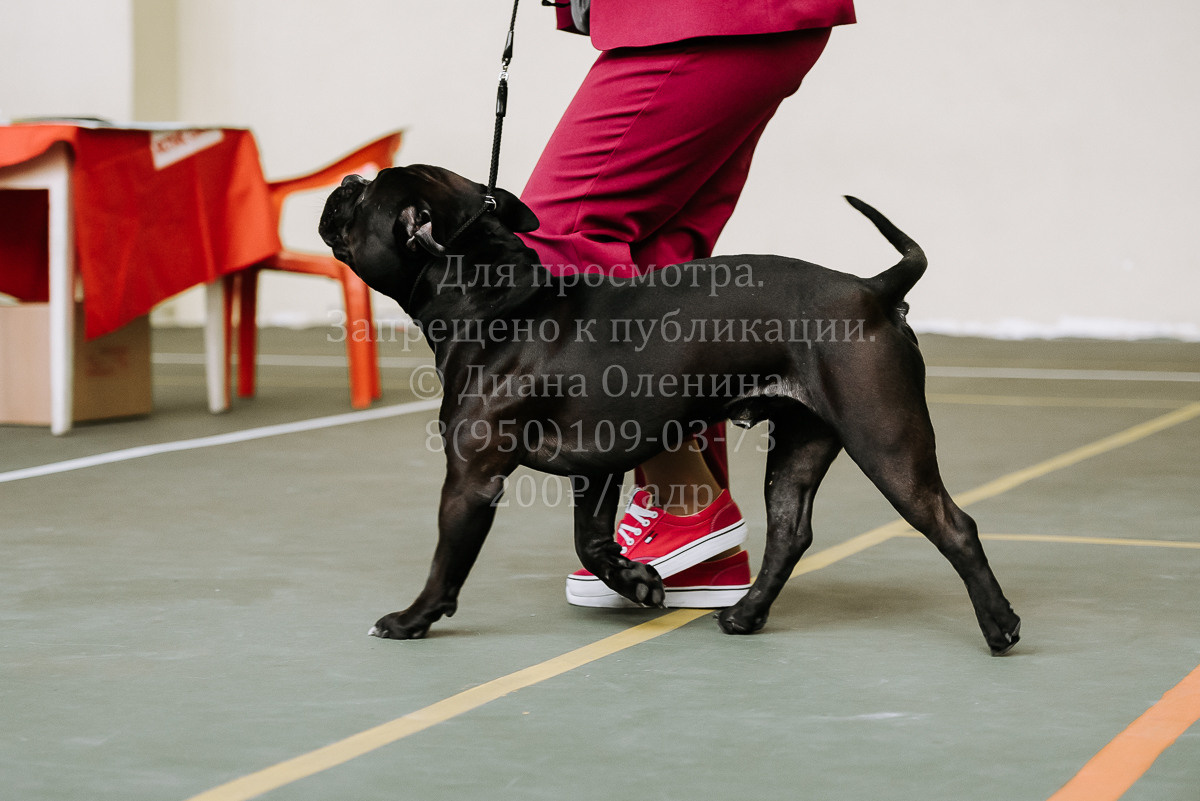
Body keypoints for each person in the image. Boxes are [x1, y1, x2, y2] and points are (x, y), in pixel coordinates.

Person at [517, 0, 856, 608]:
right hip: (743, 19)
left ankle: (687, 503)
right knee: (661, 269)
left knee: (555, 236)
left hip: (701, 15)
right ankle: (706, 557)